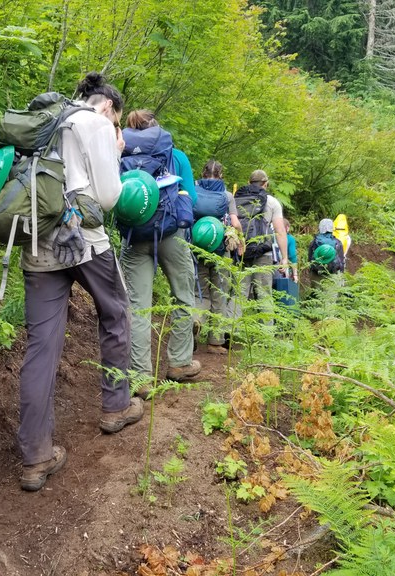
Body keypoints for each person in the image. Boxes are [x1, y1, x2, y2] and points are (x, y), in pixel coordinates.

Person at [16, 72, 142, 493]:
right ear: (109, 106)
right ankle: (116, 406)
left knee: (41, 347)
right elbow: (107, 197)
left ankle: (36, 456)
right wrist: (117, 151)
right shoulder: (96, 123)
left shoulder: (46, 121)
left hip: (37, 244)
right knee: (116, 313)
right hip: (85, 243)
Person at [119, 109, 201, 390]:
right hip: (171, 233)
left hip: (133, 234)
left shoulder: (121, 152)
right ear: (158, 129)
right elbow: (193, 198)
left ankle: (141, 377)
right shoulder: (175, 156)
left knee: (137, 306)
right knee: (182, 296)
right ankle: (179, 362)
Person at [194, 160, 242, 354]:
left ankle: (196, 320)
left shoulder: (194, 189)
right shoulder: (227, 195)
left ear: (203, 173)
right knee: (219, 294)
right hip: (221, 250)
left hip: (198, 248)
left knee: (200, 292)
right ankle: (215, 341)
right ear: (221, 175)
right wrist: (240, 239)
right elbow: (235, 223)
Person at [234, 169, 288, 323]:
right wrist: (284, 258)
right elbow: (280, 231)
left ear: (249, 182)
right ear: (266, 184)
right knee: (264, 293)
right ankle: (266, 335)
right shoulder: (271, 202)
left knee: (239, 293)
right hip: (263, 253)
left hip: (241, 250)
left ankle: (230, 333)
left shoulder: (237, 199)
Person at [308, 218, 345, 294]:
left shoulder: (314, 241)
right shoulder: (337, 242)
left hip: (316, 273)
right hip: (333, 274)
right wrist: (341, 275)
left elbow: (310, 259)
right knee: (331, 299)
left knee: (317, 296)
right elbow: (341, 260)